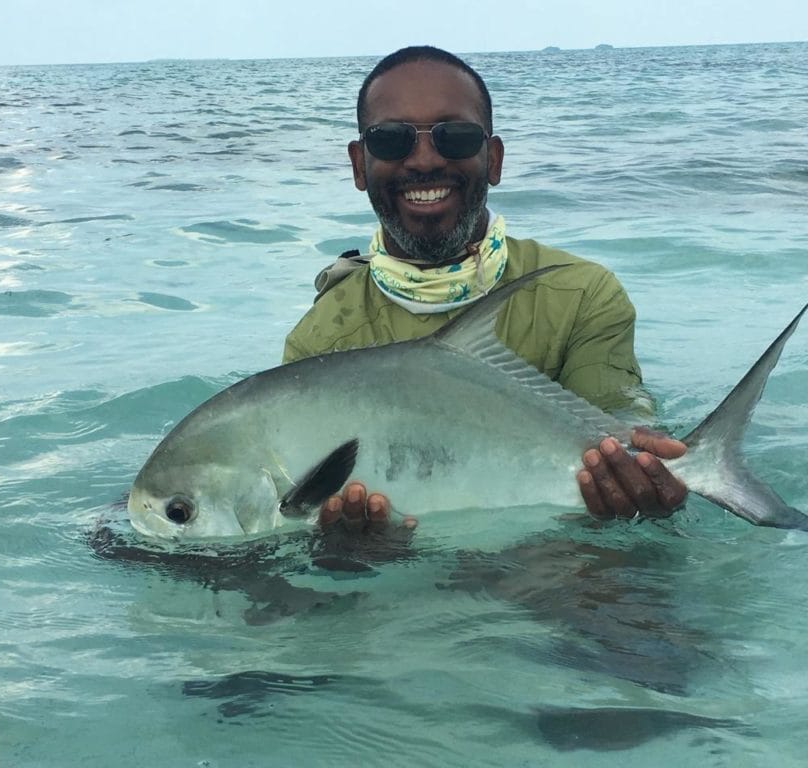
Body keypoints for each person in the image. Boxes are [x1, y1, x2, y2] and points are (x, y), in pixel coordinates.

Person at [283, 46, 687, 531]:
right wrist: (345, 559)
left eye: (455, 137)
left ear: (492, 159)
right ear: (359, 164)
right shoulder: (318, 341)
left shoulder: (580, 292)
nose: (424, 160)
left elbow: (619, 412)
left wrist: (647, 462)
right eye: (391, 140)